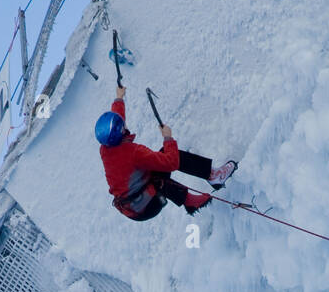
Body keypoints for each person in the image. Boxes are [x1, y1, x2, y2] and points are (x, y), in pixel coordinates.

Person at [96, 85, 237, 222]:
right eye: (122, 126)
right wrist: (167, 138)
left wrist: (119, 98)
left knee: (156, 171)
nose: (124, 124)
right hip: (146, 206)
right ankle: (213, 177)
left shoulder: (106, 148)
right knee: (169, 157)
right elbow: (171, 162)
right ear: (121, 131)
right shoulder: (134, 153)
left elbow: (118, 120)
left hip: (132, 206)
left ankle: (191, 199)